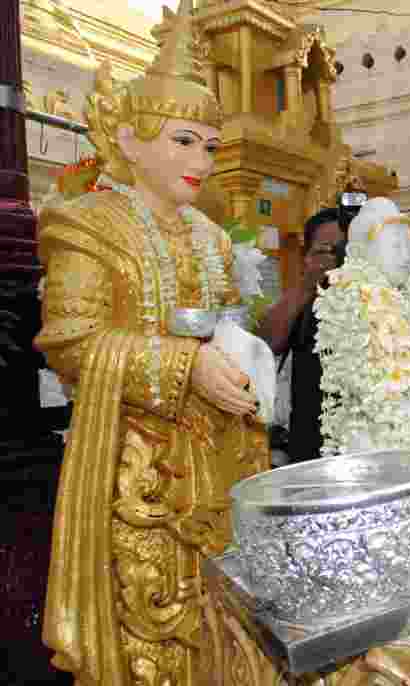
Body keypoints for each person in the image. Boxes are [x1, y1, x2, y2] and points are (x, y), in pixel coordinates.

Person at [34, 3, 269, 684]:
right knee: (148, 627)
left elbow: (223, 327)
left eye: (210, 146)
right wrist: (182, 363)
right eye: (184, 141)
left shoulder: (213, 237)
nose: (203, 159)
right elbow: (72, 341)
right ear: (130, 142)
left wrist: (240, 358)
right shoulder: (86, 226)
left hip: (220, 457)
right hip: (133, 465)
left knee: (227, 619)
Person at [258, 207, 351, 463]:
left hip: (361, 441)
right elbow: (265, 345)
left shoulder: (376, 299)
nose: (337, 258)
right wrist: (308, 283)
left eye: (343, 249)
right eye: (325, 249)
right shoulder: (302, 298)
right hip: (310, 447)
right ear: (306, 255)